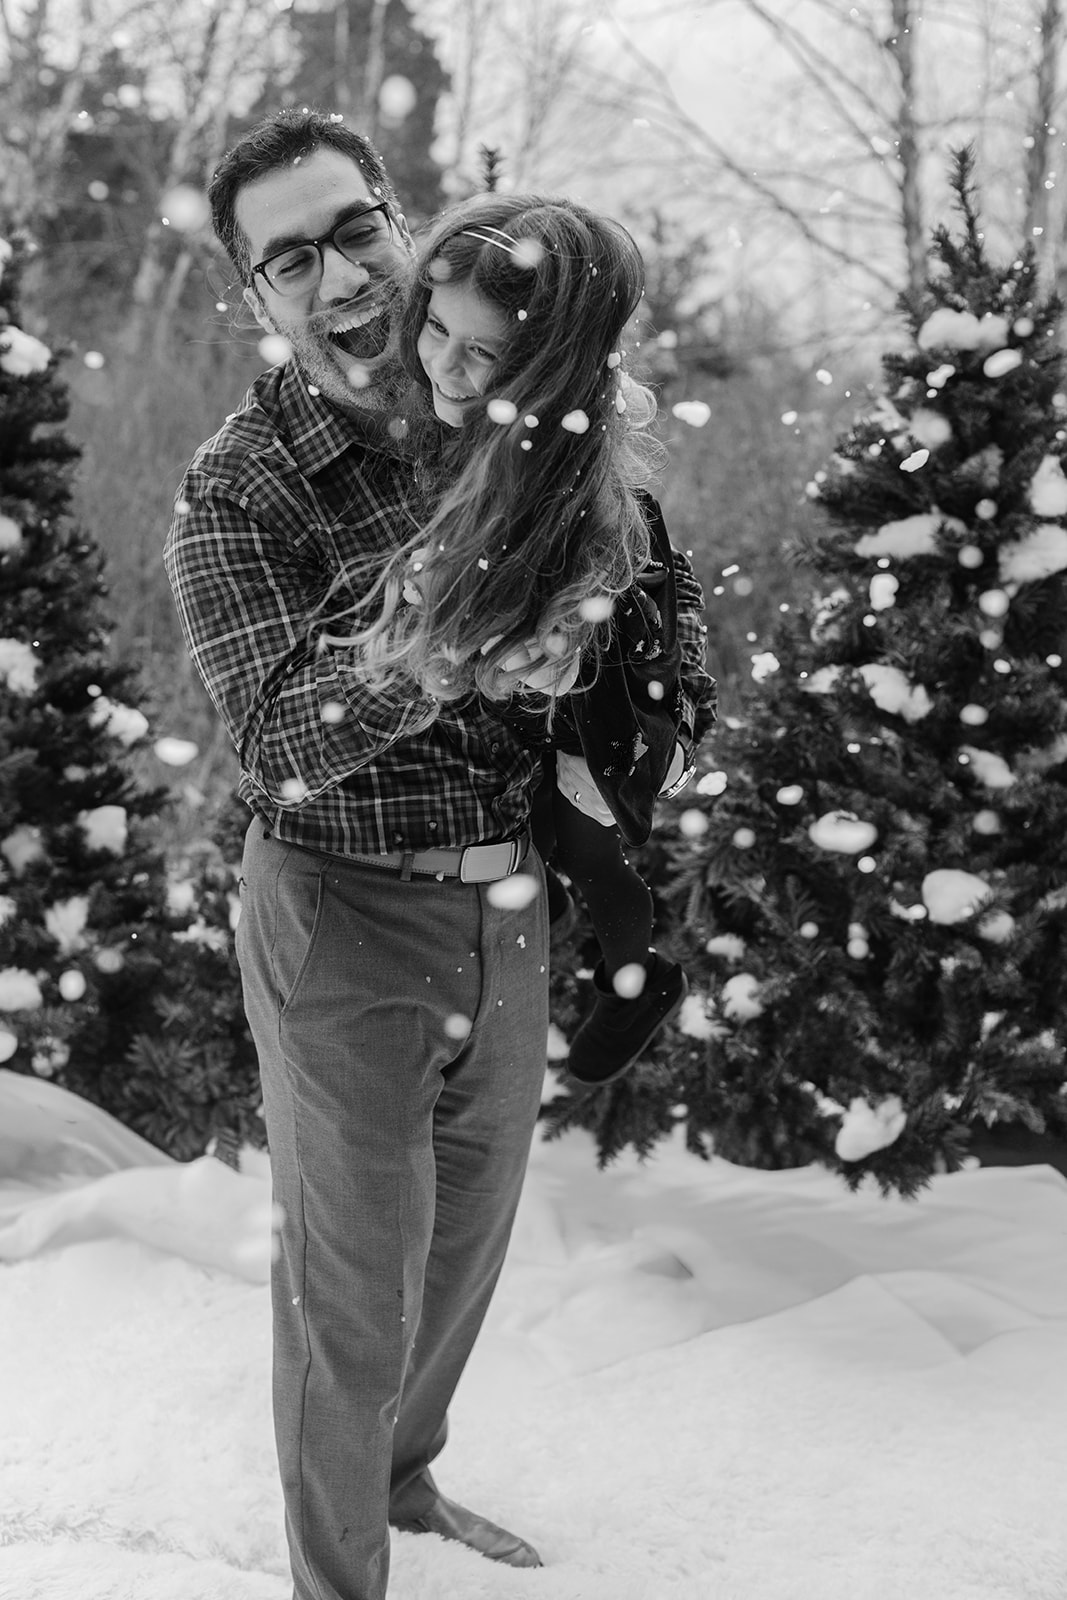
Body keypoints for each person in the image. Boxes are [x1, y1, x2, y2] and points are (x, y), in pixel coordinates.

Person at [165, 110, 556, 1600]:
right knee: (351, 1283)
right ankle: (340, 1582)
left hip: (504, 905)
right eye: (289, 257)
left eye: (353, 230)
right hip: (339, 914)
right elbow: (279, 737)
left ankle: (404, 1481)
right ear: (252, 294)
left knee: (462, 1245)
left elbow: (616, 576)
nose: (338, 277)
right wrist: (450, 624)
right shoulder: (241, 486)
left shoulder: (500, 404)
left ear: (401, 224)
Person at [331, 193, 716, 1087]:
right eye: (434, 328)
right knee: (547, 861)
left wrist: (599, 648)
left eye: (487, 352)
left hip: (591, 730)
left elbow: (658, 580)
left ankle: (633, 980)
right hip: (461, 821)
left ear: (547, 369)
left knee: (586, 853)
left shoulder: (575, 479)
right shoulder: (424, 433)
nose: (448, 368)